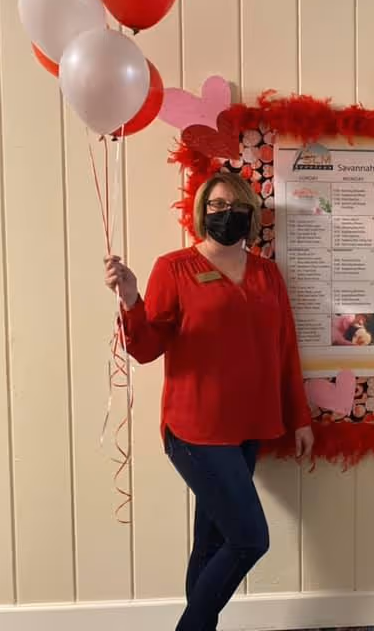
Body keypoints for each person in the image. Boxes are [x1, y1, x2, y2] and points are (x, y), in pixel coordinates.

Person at [103, 172, 313, 631]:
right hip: (195, 429)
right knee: (250, 539)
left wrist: (300, 418)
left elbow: (285, 349)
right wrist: (132, 298)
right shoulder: (173, 268)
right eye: (216, 206)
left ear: (251, 215)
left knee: (211, 541)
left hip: (248, 428)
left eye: (235, 205)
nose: (225, 213)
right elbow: (145, 348)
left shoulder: (266, 273)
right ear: (202, 212)